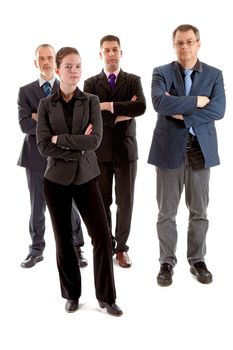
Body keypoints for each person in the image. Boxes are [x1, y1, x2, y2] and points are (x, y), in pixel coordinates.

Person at [36, 46, 122, 316]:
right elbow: (41, 145)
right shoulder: (45, 104)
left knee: (102, 238)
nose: (74, 71)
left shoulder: (92, 101)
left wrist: (59, 139)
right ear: (58, 70)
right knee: (64, 241)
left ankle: (106, 298)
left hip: (86, 177)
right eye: (69, 67)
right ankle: (71, 294)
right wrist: (77, 143)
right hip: (56, 181)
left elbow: (94, 141)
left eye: (78, 66)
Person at [148, 24, 226, 286]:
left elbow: (219, 111)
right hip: (169, 149)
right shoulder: (161, 73)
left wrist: (179, 109)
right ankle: (166, 262)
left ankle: (197, 260)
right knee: (166, 212)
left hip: (200, 150)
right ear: (174, 46)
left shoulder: (214, 74)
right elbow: (159, 103)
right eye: (179, 43)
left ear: (198, 43)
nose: (185, 47)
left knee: (199, 211)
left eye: (189, 42)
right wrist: (196, 101)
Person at [17, 44, 87, 268]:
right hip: (35, 157)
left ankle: (77, 247)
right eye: (42, 58)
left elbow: (73, 127)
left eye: (50, 58)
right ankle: (36, 249)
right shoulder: (25, 91)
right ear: (35, 62)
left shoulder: (67, 89)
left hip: (62, 156)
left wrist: (41, 117)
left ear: (56, 64)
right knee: (37, 205)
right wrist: (52, 124)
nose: (46, 62)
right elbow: (25, 124)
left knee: (70, 204)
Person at [84, 35, 146, 268]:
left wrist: (108, 106)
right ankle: (107, 244)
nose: (111, 54)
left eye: (115, 50)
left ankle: (121, 248)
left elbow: (140, 107)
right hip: (99, 152)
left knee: (125, 201)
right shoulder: (90, 83)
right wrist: (123, 113)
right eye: (107, 50)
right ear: (100, 55)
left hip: (126, 152)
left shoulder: (133, 80)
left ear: (121, 53)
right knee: (102, 202)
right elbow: (90, 113)